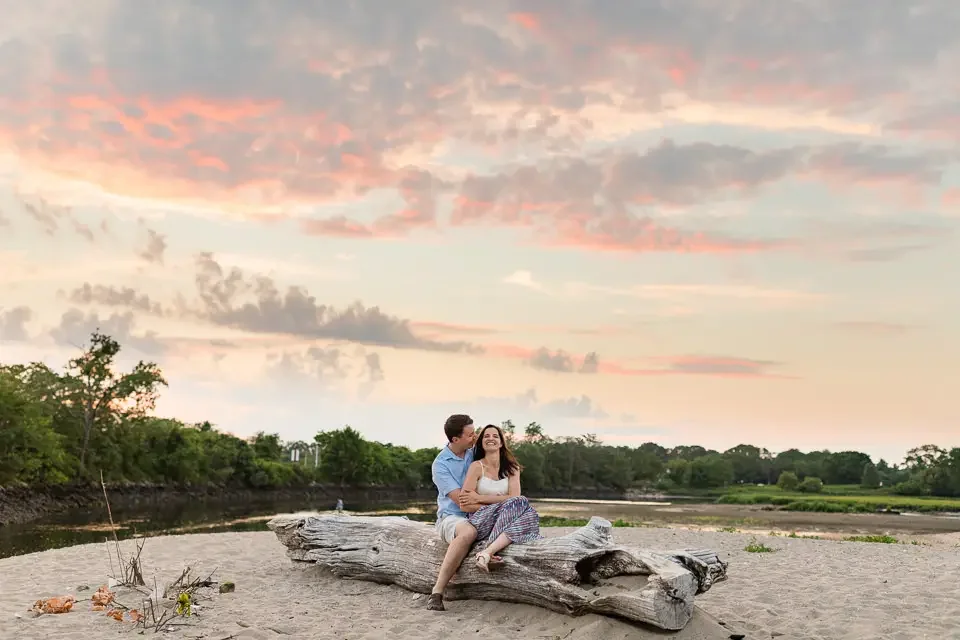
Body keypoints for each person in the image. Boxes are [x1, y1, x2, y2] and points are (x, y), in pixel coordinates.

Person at [458, 424, 542, 571]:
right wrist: (501, 501)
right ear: (482, 442)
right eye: (486, 436)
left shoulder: (512, 468)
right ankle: (489, 550)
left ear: (502, 442)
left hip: (504, 519)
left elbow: (515, 498)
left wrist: (479, 497)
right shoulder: (476, 467)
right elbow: (464, 505)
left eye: (495, 436)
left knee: (529, 512)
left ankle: (487, 552)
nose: (491, 439)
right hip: (481, 521)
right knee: (524, 506)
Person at [426, 414, 481, 611]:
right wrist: (493, 507)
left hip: (477, 512)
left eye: (475, 432)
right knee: (468, 533)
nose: (474, 437)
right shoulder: (441, 465)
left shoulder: (474, 452)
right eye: (470, 435)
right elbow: (462, 502)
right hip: (452, 517)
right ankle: (437, 592)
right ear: (455, 439)